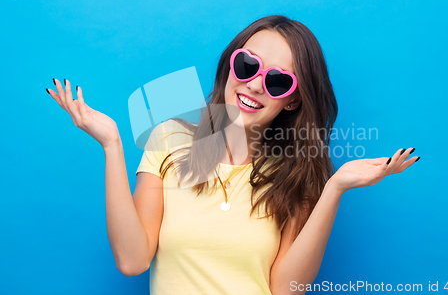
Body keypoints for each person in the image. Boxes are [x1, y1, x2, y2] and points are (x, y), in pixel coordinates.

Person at [46, 15, 420, 295]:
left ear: (292, 100)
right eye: (247, 65)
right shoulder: (169, 140)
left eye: (277, 81)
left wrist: (334, 189)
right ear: (230, 65)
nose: (254, 84)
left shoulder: (294, 176)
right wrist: (112, 145)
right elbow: (133, 260)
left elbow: (286, 288)